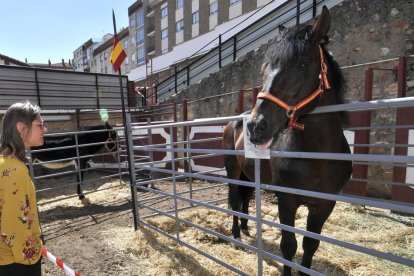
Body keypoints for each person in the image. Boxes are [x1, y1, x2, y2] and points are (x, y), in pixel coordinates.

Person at [0, 101, 47, 275]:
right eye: (39, 125)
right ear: (21, 128)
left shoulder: (3, 163)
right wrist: (33, 254)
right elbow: (14, 226)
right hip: (16, 264)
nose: (44, 129)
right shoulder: (15, 170)